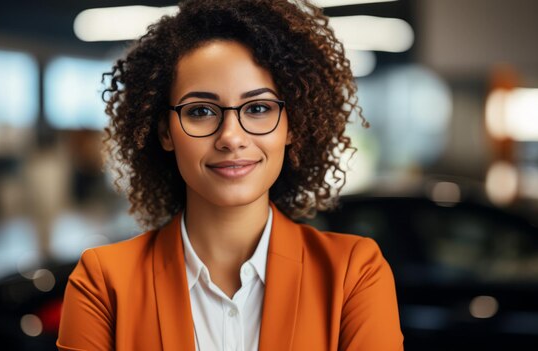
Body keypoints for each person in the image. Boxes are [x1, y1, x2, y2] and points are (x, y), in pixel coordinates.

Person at [57, 0, 403, 350]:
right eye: (202, 111)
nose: (231, 137)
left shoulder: (353, 274)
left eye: (257, 108)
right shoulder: (103, 283)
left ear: (292, 125)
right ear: (165, 132)